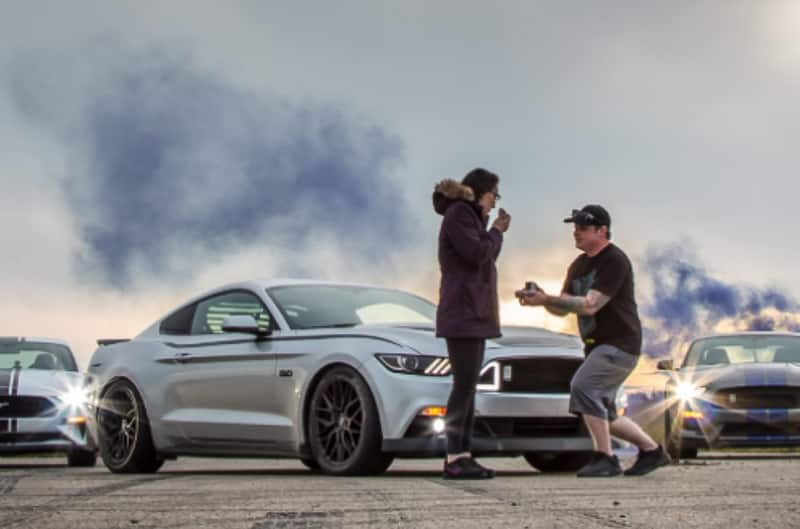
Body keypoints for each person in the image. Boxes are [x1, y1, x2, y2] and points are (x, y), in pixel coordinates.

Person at [517, 205, 669, 477]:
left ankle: (604, 457)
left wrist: (549, 299)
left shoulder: (614, 261)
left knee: (583, 387)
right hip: (596, 345)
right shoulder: (578, 265)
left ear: (602, 230)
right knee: (604, 411)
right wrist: (541, 300)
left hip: (620, 343)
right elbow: (563, 307)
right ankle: (651, 451)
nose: (576, 233)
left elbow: (590, 306)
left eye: (583, 228)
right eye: (574, 228)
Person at [432, 168, 511, 479]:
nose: (494, 203)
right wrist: (497, 231)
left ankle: (463, 454)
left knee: (468, 388)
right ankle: (455, 457)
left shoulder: (468, 217)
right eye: (494, 195)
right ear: (481, 192)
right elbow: (478, 254)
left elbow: (481, 256)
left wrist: (491, 232)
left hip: (473, 314)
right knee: (463, 387)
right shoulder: (460, 214)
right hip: (463, 314)